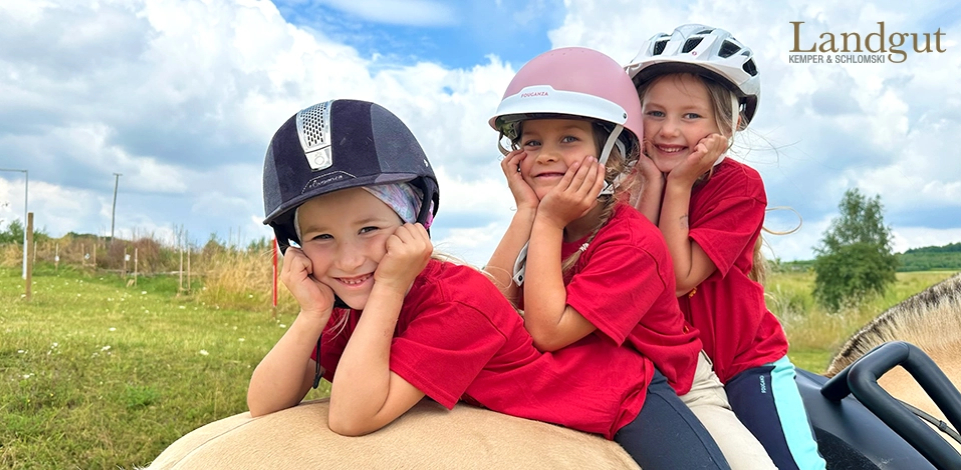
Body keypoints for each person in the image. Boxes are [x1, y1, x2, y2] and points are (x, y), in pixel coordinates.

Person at [249, 98, 728, 468]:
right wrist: (311, 313)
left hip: (620, 398)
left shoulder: (455, 302)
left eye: (370, 228)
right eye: (323, 237)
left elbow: (351, 417)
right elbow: (265, 403)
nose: (349, 257)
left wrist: (392, 288)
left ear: (416, 224)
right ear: (296, 245)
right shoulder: (342, 303)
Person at [485, 47, 770, 469]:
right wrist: (528, 213)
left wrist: (544, 221)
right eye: (531, 141)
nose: (545, 154)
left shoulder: (632, 242)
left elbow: (548, 332)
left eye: (568, 138)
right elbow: (488, 306)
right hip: (598, 374)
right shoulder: (546, 224)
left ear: (612, 155)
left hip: (677, 387)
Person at [625, 24, 826, 470]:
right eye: (654, 113)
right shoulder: (625, 187)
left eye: (691, 116)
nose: (669, 130)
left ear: (729, 124)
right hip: (669, 371)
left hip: (743, 366)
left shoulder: (739, 185)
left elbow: (676, 278)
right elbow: (628, 275)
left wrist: (676, 185)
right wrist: (648, 184)